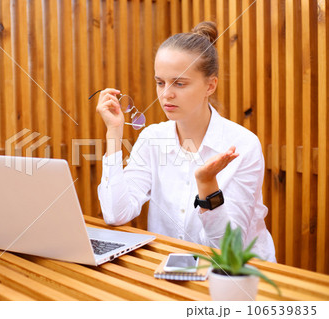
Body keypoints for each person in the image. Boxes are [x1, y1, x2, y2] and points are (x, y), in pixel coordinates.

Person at [95, 21, 276, 262]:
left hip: (238, 277)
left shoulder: (243, 146)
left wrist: (207, 186)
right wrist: (114, 134)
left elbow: (227, 249)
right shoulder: (152, 138)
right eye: (160, 82)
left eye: (179, 83)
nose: (166, 94)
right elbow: (115, 214)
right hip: (170, 272)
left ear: (210, 85)